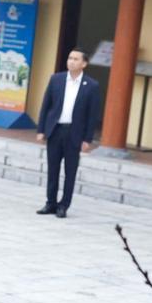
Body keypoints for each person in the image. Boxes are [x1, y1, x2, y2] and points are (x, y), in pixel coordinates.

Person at [36, 48, 101, 218]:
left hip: (74, 133)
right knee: (53, 169)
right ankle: (50, 202)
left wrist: (87, 139)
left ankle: (63, 205)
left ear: (84, 64)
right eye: (70, 58)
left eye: (76, 59)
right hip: (55, 130)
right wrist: (41, 129)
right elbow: (46, 106)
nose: (71, 61)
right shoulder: (56, 79)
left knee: (70, 171)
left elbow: (92, 115)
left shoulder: (91, 86)